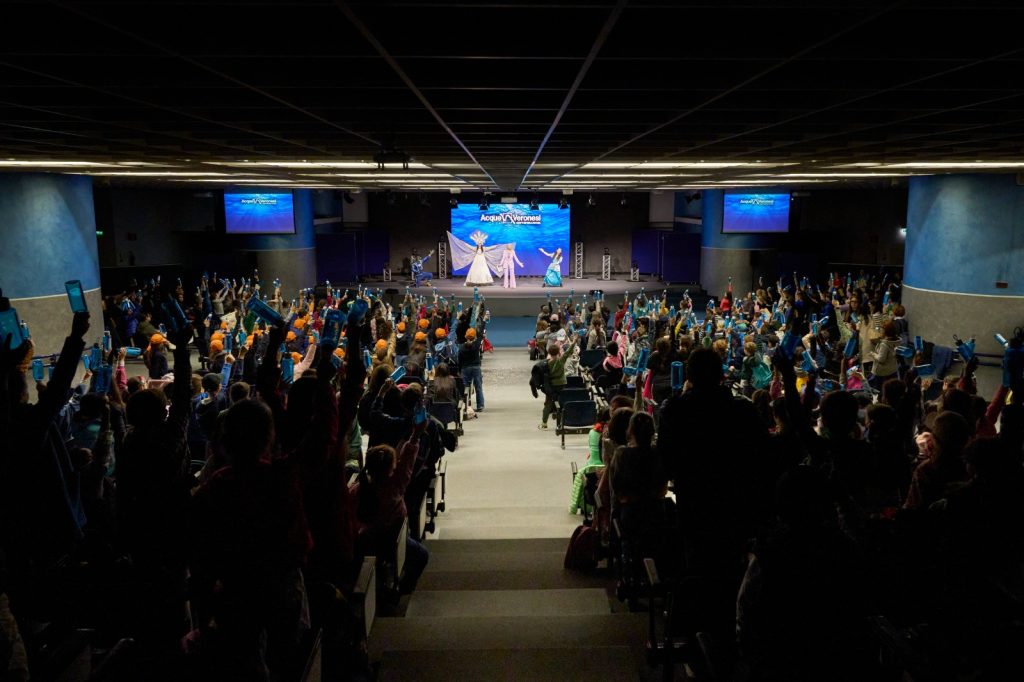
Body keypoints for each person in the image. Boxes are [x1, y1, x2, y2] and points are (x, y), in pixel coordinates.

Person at [460, 327, 485, 412]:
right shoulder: (476, 345)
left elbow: (460, 360)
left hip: (465, 368)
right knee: (478, 387)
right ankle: (480, 406)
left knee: (465, 388)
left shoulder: (462, 347)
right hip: (476, 368)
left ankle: (465, 406)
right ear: (474, 337)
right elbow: (480, 335)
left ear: (466, 336)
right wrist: (477, 329)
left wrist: (459, 370)